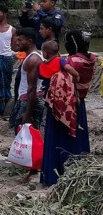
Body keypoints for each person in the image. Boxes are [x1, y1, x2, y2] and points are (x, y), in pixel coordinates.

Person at [40, 31, 96, 186]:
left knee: (60, 140)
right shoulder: (90, 59)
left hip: (63, 106)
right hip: (80, 104)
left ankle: (55, 176)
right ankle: (79, 173)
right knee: (78, 138)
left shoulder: (69, 62)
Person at [10, 28, 44, 132]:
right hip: (28, 99)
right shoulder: (35, 55)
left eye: (20, 40)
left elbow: (32, 87)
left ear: (29, 41)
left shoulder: (32, 59)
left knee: (25, 135)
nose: (17, 42)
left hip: (29, 100)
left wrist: (28, 114)